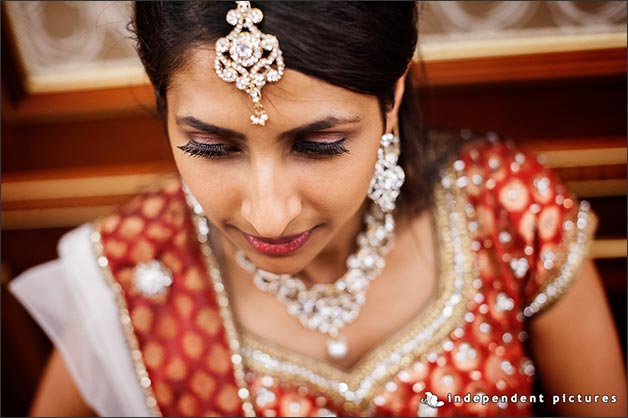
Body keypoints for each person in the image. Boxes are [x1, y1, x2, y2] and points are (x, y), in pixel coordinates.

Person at [9, 2, 626, 417]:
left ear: (393, 98)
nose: (269, 214)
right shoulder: (130, 279)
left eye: (319, 145)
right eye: (211, 147)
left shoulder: (509, 216)